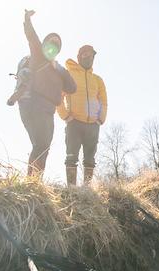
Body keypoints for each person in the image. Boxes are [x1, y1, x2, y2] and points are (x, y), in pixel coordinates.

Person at [10, 10, 77, 178]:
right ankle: (31, 181)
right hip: (32, 105)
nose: (52, 46)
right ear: (44, 44)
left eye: (56, 45)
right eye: (50, 42)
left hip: (49, 111)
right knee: (40, 144)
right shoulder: (38, 54)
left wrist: (60, 69)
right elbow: (31, 36)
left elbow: (72, 87)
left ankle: (35, 181)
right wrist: (27, 19)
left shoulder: (58, 69)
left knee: (44, 146)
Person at [57, 45, 108, 186]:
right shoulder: (69, 75)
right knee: (71, 157)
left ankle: (87, 189)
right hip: (74, 123)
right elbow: (58, 97)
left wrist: (100, 119)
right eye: (85, 55)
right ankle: (72, 188)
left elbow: (103, 101)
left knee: (90, 159)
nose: (89, 57)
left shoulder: (98, 80)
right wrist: (65, 116)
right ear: (79, 57)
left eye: (91, 55)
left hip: (93, 125)